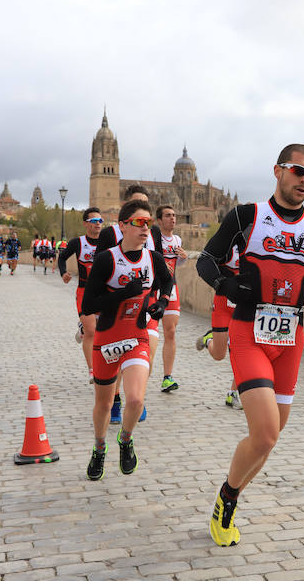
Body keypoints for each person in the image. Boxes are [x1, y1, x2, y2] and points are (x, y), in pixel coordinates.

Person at [196, 144, 304, 546]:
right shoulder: (247, 217)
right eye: (297, 171)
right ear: (278, 171)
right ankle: (226, 502)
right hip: (247, 333)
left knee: (267, 443)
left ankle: (231, 496)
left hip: (289, 341)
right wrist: (227, 285)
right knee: (266, 433)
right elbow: (206, 260)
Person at [80, 200, 173, 480]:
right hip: (107, 340)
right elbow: (88, 304)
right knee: (105, 405)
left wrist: (162, 302)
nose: (145, 228)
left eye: (148, 223)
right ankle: (99, 448)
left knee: (135, 399)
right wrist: (123, 293)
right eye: (138, 223)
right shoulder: (107, 259)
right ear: (123, 226)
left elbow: (167, 282)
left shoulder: (153, 259)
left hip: (137, 337)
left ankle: (126, 439)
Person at [95, 185, 158, 422]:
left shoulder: (154, 234)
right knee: (118, 355)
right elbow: (99, 274)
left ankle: (137, 397)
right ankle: (116, 397)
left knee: (146, 354)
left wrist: (161, 299)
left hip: (145, 306)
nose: (143, 221)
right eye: (137, 205)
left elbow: (162, 269)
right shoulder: (109, 235)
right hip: (115, 309)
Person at [195, 245, 243, 409]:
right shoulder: (228, 244)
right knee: (219, 355)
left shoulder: (258, 242)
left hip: (243, 307)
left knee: (242, 352)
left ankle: (233, 394)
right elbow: (206, 265)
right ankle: (209, 339)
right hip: (223, 305)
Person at [59, 207, 103, 383]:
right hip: (84, 291)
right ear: (86, 224)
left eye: (100, 221)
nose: (98, 224)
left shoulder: (108, 242)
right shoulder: (78, 242)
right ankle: (92, 370)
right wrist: (64, 273)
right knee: (92, 331)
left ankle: (83, 328)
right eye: (94, 221)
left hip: (103, 292)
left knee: (101, 330)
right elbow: (62, 257)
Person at [154, 205, 188, 393]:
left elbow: (176, 264)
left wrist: (182, 258)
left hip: (171, 288)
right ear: (159, 220)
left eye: (174, 215)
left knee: (171, 332)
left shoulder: (177, 239)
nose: (172, 219)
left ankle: (167, 377)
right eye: (168, 216)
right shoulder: (153, 238)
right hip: (153, 289)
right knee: (147, 333)